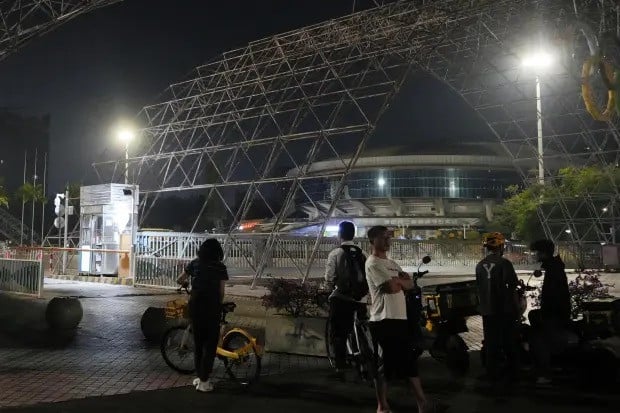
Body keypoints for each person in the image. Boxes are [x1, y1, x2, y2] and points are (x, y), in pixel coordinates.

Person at [365, 225, 438, 413]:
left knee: (409, 362)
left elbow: (410, 284)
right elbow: (390, 288)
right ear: (373, 241)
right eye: (383, 238)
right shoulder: (373, 263)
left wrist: (400, 282)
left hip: (400, 318)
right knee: (386, 364)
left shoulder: (392, 263)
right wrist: (399, 282)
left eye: (389, 237)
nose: (388, 241)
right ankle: (382, 406)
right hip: (383, 319)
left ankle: (422, 402)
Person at [176, 238, 229, 392]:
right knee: (210, 345)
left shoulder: (195, 263)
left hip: (196, 305)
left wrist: (186, 284)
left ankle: (201, 377)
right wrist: (218, 305)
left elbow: (180, 278)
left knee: (198, 344)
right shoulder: (220, 267)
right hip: (212, 306)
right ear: (218, 252)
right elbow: (221, 292)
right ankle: (205, 381)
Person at [324, 221, 368, 380]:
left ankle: (340, 363)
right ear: (354, 235)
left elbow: (330, 279)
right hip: (361, 298)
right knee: (360, 323)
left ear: (339, 235)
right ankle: (365, 349)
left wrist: (327, 291)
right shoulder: (362, 253)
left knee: (338, 331)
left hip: (342, 297)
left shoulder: (335, 253)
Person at [475, 232, 520, 388]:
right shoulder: (504, 264)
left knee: (491, 342)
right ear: (501, 246)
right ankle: (513, 373)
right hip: (504, 309)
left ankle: (491, 373)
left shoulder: (480, 265)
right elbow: (512, 287)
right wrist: (517, 308)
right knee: (508, 342)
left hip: (488, 310)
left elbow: (478, 288)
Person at [528, 239, 571, 385]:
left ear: (544, 253)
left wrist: (546, 313)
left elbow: (554, 294)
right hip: (555, 312)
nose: (535, 255)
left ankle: (545, 374)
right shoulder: (554, 267)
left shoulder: (554, 270)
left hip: (554, 314)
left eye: (537, 252)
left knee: (539, 341)